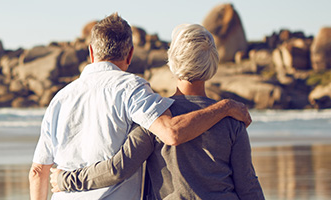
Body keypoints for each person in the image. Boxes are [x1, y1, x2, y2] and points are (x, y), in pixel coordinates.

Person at [29, 14, 253, 200]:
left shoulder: (60, 98)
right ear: (130, 54)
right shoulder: (233, 120)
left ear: (90, 52)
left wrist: (64, 180)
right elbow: (248, 188)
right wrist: (225, 107)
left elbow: (116, 168)